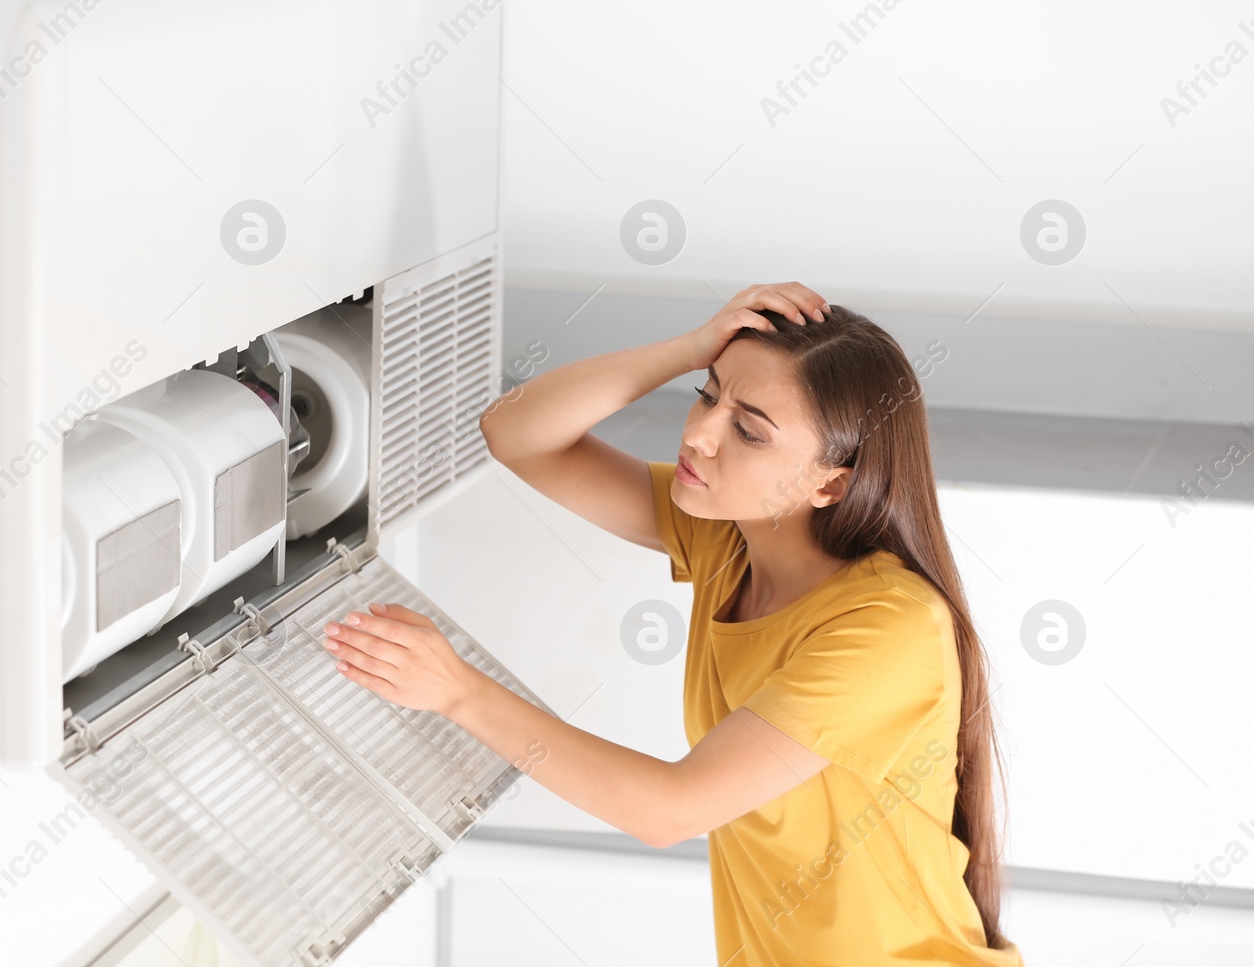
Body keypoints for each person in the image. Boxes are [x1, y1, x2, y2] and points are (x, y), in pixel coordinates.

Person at [323, 281, 1024, 966]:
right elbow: (515, 432)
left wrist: (458, 691)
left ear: (830, 483)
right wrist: (689, 347)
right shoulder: (730, 535)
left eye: (748, 431)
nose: (699, 435)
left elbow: (669, 810)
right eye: (707, 394)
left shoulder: (888, 629)